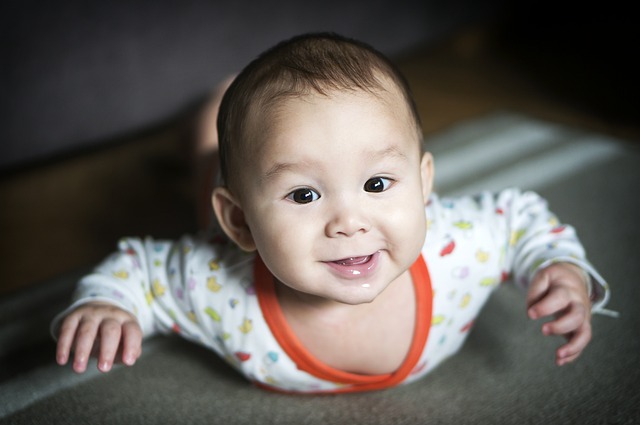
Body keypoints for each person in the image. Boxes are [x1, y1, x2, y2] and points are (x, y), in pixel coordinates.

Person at [51, 33, 610, 394]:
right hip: (216, 199)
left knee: (240, 147)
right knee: (209, 154)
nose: (348, 221)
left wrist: (555, 264)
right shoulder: (213, 282)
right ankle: (208, 127)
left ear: (423, 186)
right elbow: (142, 269)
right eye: (304, 195)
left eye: (376, 183)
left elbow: (518, 219)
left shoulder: (457, 249)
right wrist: (108, 303)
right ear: (241, 222)